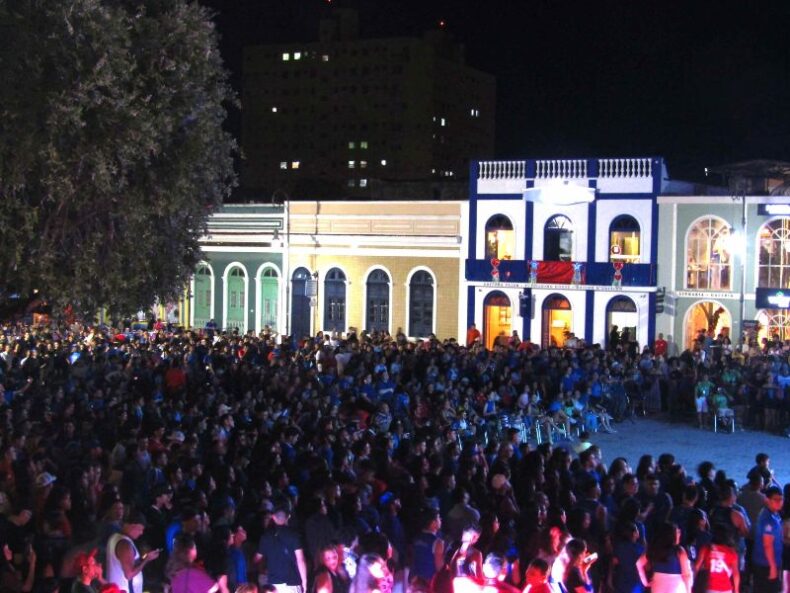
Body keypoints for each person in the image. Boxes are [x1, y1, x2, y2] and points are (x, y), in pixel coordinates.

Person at [254, 501, 307, 593]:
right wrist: (304, 582)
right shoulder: (294, 536)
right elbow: (300, 560)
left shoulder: (266, 537)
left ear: (273, 517)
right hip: (292, 583)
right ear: (288, 517)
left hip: (273, 585)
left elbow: (257, 558)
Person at [105, 511, 160, 593]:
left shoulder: (114, 537)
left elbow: (128, 562)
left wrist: (144, 558)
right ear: (132, 526)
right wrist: (147, 559)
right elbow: (129, 574)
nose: (141, 533)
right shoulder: (125, 544)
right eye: (140, 529)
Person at [636, 522, 692, 593]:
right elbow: (686, 575)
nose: (679, 534)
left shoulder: (655, 549)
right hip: (676, 587)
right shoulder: (679, 551)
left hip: (657, 586)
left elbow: (639, 563)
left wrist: (645, 582)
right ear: (672, 535)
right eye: (677, 532)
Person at [751, 486, 784, 593]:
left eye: (781, 499)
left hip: (767, 563)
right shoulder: (768, 520)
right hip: (765, 565)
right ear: (767, 500)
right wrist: (772, 566)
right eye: (776, 499)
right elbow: (767, 545)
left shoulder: (774, 515)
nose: (779, 502)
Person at [693, 524, 739, 593]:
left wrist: (694, 582)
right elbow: (735, 574)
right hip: (726, 588)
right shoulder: (731, 552)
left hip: (710, 587)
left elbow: (696, 567)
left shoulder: (705, 549)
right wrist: (736, 590)